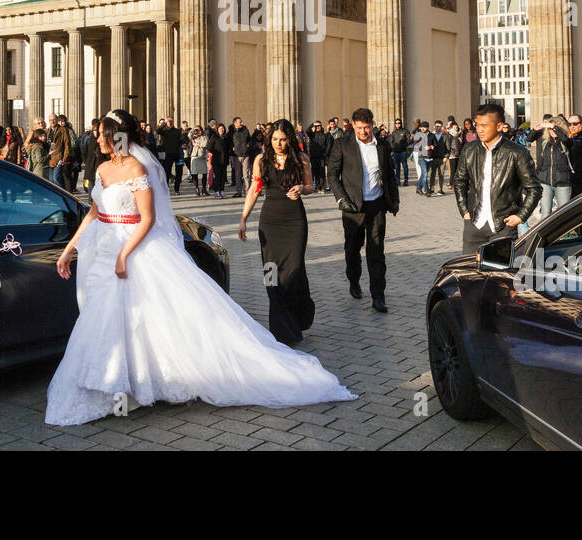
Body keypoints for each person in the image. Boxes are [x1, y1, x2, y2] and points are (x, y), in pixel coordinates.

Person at [45, 109, 353, 425]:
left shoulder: (137, 167)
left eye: (102, 133)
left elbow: (149, 219)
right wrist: (70, 249)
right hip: (102, 246)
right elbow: (94, 212)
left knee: (134, 315)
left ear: (117, 136)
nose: (97, 137)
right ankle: (112, 382)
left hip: (131, 246)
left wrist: (125, 254)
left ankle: (140, 384)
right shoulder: (102, 169)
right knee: (108, 316)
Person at [238, 119, 317, 346]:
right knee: (270, 272)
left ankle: (297, 316)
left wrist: (303, 189)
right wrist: (243, 219)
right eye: (274, 139)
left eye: (282, 139)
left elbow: (311, 186)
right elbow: (254, 189)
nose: (278, 143)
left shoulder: (300, 159)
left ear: (290, 139)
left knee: (293, 272)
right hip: (269, 223)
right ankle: (279, 327)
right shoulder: (261, 160)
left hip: (294, 223)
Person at [326, 107, 400, 313]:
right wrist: (341, 199)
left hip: (376, 205)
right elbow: (332, 175)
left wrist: (394, 200)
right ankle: (354, 281)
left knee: (376, 251)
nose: (363, 132)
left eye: (366, 128)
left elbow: (390, 175)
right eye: (359, 128)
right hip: (352, 206)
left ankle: (378, 296)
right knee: (352, 249)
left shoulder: (382, 145)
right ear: (353, 126)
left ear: (372, 126)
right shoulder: (343, 145)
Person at [453, 102, 541, 255]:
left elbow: (534, 188)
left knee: (499, 275)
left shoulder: (517, 153)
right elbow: (459, 181)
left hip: (503, 227)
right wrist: (464, 211)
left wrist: (521, 216)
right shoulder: (469, 149)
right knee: (470, 273)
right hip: (474, 224)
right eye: (477, 125)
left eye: (484, 125)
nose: (479, 129)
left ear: (499, 126)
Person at [525, 115, 571, 228]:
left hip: (562, 182)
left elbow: (565, 139)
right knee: (545, 213)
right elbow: (529, 138)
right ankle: (544, 242)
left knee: (564, 214)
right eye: (549, 129)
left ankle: (564, 239)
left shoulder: (564, 141)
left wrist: (553, 126)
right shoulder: (543, 140)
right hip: (544, 181)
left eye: (554, 128)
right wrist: (536, 129)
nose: (551, 131)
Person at [228, 117, 251, 197]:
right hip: (236, 155)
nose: (242, 123)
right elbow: (228, 142)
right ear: (235, 123)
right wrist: (232, 148)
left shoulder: (245, 130)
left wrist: (248, 146)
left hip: (246, 154)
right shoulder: (231, 131)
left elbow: (249, 140)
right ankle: (239, 191)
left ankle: (247, 191)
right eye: (240, 122)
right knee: (238, 174)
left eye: (241, 122)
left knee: (246, 175)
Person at [208, 122, 229, 197]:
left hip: (224, 160)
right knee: (217, 176)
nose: (222, 130)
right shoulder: (214, 137)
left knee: (223, 176)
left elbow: (228, 148)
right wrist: (215, 152)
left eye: (223, 129)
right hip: (216, 159)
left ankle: (222, 190)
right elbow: (209, 147)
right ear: (217, 130)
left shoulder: (226, 138)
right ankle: (217, 191)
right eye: (220, 129)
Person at [307, 121, 329, 193]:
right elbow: (307, 131)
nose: (318, 127)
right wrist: (313, 124)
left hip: (321, 157)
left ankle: (322, 187)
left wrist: (325, 153)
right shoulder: (312, 135)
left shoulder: (324, 135)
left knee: (321, 173)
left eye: (319, 126)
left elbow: (327, 145)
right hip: (313, 157)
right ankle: (317, 187)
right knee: (315, 173)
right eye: (316, 126)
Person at [412, 120, 431, 196]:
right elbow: (416, 146)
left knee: (423, 174)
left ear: (427, 128)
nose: (423, 128)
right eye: (422, 127)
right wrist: (423, 146)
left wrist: (432, 146)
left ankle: (418, 188)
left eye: (425, 127)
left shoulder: (431, 135)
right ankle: (426, 190)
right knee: (425, 174)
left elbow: (434, 144)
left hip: (429, 157)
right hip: (421, 157)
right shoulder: (418, 134)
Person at [188, 127, 209, 195]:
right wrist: (193, 129)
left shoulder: (204, 137)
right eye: (197, 130)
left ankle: (204, 188)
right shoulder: (193, 137)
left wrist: (195, 144)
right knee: (194, 174)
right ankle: (196, 188)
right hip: (194, 156)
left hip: (202, 156)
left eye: (199, 130)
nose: (198, 131)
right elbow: (189, 135)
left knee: (204, 173)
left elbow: (204, 144)